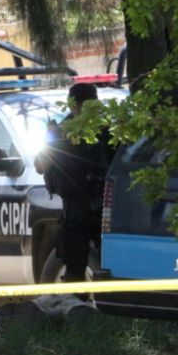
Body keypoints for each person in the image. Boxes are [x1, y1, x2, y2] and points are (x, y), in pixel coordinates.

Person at [34, 82, 113, 282]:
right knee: (75, 261)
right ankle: (76, 300)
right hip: (77, 207)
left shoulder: (107, 130)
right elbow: (40, 166)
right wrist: (50, 140)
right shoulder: (62, 131)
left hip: (101, 204)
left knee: (106, 260)